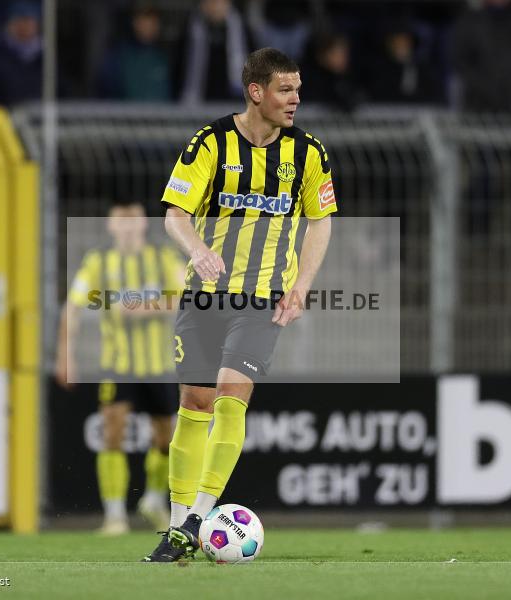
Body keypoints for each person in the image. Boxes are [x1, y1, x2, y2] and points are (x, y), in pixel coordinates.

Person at [142, 47, 337, 562]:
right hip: (204, 297)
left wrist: (302, 284)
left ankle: (196, 519)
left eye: (297, 89)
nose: (295, 99)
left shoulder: (308, 153)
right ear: (256, 92)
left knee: (231, 398)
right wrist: (198, 249)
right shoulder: (210, 143)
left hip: (263, 300)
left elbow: (320, 222)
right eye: (285, 89)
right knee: (195, 404)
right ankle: (175, 527)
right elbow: (174, 215)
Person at [55, 202, 185, 535]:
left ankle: (154, 499)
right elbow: (72, 308)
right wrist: (66, 356)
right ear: (111, 226)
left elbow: (188, 297)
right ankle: (114, 516)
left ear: (143, 224)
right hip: (118, 364)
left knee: (166, 438)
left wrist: (146, 306)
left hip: (159, 364)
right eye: (120, 221)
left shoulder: (163, 258)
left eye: (133, 221)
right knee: (112, 432)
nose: (127, 227)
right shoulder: (98, 262)